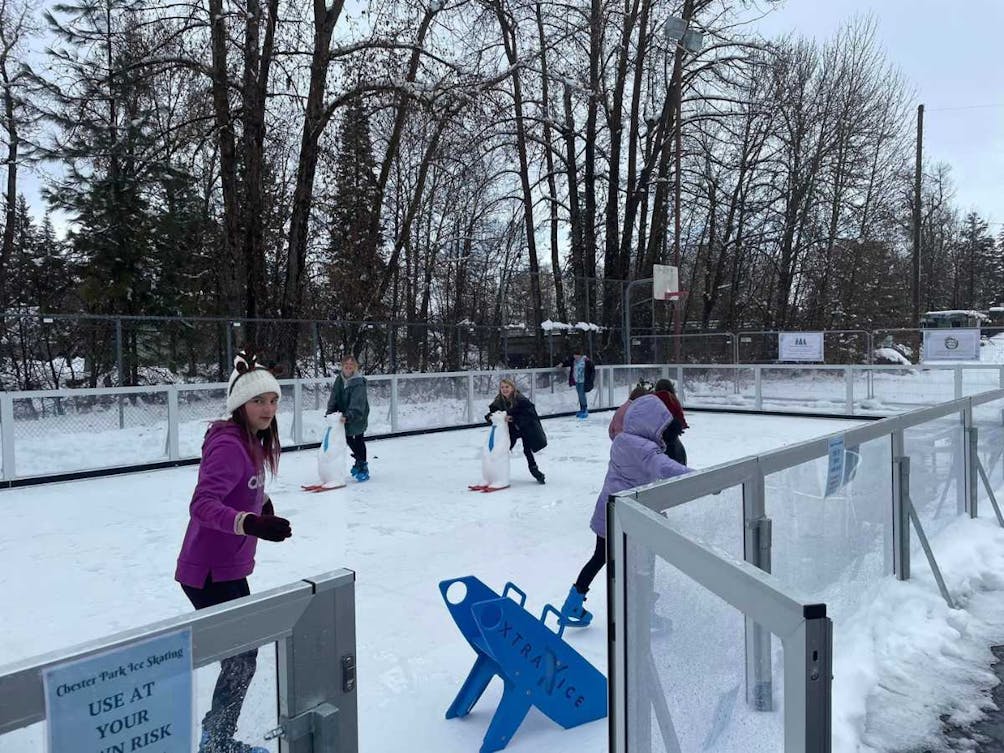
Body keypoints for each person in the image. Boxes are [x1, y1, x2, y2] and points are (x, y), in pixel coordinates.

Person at [175, 351, 293, 753]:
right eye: (259, 400)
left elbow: (242, 487)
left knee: (241, 656)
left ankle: (217, 736)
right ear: (239, 403)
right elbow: (202, 504)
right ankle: (217, 741)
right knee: (241, 657)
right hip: (208, 571)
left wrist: (261, 505)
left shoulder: (252, 442)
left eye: (273, 400)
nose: (268, 408)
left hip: (226, 567)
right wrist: (250, 522)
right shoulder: (229, 444)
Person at [560, 394, 691, 627]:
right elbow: (665, 467)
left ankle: (573, 603)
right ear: (651, 424)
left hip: (606, 511)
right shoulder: (646, 449)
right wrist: (696, 477)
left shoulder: (622, 440)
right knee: (641, 566)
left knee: (599, 557)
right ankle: (643, 613)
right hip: (626, 517)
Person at [485, 377, 547, 484]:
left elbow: (530, 415)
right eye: (502, 387)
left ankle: (536, 472)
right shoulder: (499, 400)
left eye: (507, 387)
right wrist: (490, 417)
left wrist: (513, 418)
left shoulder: (520, 399)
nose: (504, 389)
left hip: (526, 428)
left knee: (527, 450)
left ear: (512, 388)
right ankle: (496, 473)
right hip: (512, 430)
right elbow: (492, 413)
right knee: (503, 449)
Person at [326, 354, 371, 481]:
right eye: (346, 365)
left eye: (351, 366)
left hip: (358, 414)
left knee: (358, 438)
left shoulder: (358, 382)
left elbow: (357, 402)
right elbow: (334, 397)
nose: (348, 368)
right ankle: (359, 461)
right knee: (348, 437)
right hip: (344, 414)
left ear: (355, 367)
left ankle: (362, 465)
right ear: (342, 366)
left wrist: (349, 415)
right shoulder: (339, 380)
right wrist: (330, 412)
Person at [653, 378, 689, 465]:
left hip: (655, 434)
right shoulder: (672, 399)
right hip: (671, 436)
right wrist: (682, 425)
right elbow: (680, 416)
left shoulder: (652, 398)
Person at [560, 349, 595, 418]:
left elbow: (592, 370)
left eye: (577, 355)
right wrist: (561, 364)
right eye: (574, 355)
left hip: (583, 380)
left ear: (580, 355)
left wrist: (591, 379)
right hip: (577, 380)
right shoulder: (573, 361)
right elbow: (567, 362)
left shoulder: (586, 361)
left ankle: (585, 409)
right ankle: (582, 409)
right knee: (579, 394)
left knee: (582, 394)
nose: (575, 356)